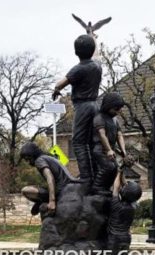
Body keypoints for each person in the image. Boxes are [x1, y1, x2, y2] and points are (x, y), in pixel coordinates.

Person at [52, 33, 102, 185]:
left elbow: (61, 83)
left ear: (76, 52)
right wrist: (94, 39)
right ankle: (96, 172)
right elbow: (98, 57)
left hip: (83, 107)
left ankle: (86, 176)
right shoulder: (97, 67)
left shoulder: (78, 69)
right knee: (93, 141)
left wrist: (55, 89)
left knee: (79, 142)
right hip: (95, 105)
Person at [20, 142, 79, 216]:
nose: (28, 162)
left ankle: (42, 200)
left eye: (28, 159)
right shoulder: (50, 158)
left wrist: (52, 201)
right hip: (69, 186)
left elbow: (49, 178)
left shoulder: (39, 161)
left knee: (25, 190)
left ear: (32, 155)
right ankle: (41, 200)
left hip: (61, 190)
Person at [106, 169, 142, 255]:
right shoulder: (133, 206)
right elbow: (124, 187)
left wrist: (119, 173)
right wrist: (121, 171)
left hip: (115, 237)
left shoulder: (117, 205)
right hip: (126, 237)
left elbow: (116, 187)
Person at [92, 92, 127, 195]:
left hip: (111, 151)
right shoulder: (99, 118)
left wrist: (123, 151)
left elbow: (119, 135)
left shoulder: (115, 120)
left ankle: (123, 186)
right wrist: (108, 150)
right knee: (109, 167)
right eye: (116, 108)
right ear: (109, 106)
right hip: (100, 150)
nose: (118, 111)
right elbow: (102, 134)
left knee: (117, 169)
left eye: (119, 108)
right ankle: (97, 187)